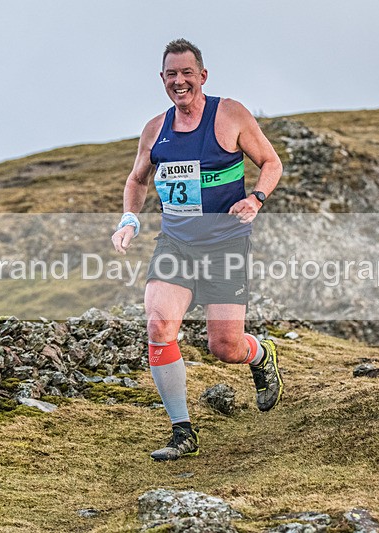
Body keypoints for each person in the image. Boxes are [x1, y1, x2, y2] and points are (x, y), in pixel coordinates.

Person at [111, 38, 284, 461]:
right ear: (163, 80)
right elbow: (137, 180)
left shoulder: (230, 115)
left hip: (226, 242)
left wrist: (256, 198)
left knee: (224, 347)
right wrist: (129, 221)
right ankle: (182, 432)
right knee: (158, 325)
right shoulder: (155, 129)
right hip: (176, 243)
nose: (179, 81)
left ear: (202, 76)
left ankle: (261, 356)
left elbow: (271, 162)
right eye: (171, 74)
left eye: (187, 73)